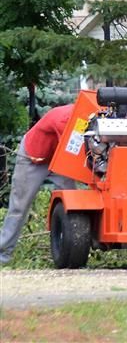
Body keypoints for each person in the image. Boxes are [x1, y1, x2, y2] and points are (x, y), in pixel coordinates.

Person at [0, 104, 75, 265]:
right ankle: (2, 255)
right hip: (33, 158)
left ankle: (70, 251)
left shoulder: (88, 115)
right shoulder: (64, 120)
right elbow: (73, 155)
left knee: (73, 206)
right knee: (19, 206)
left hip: (58, 159)